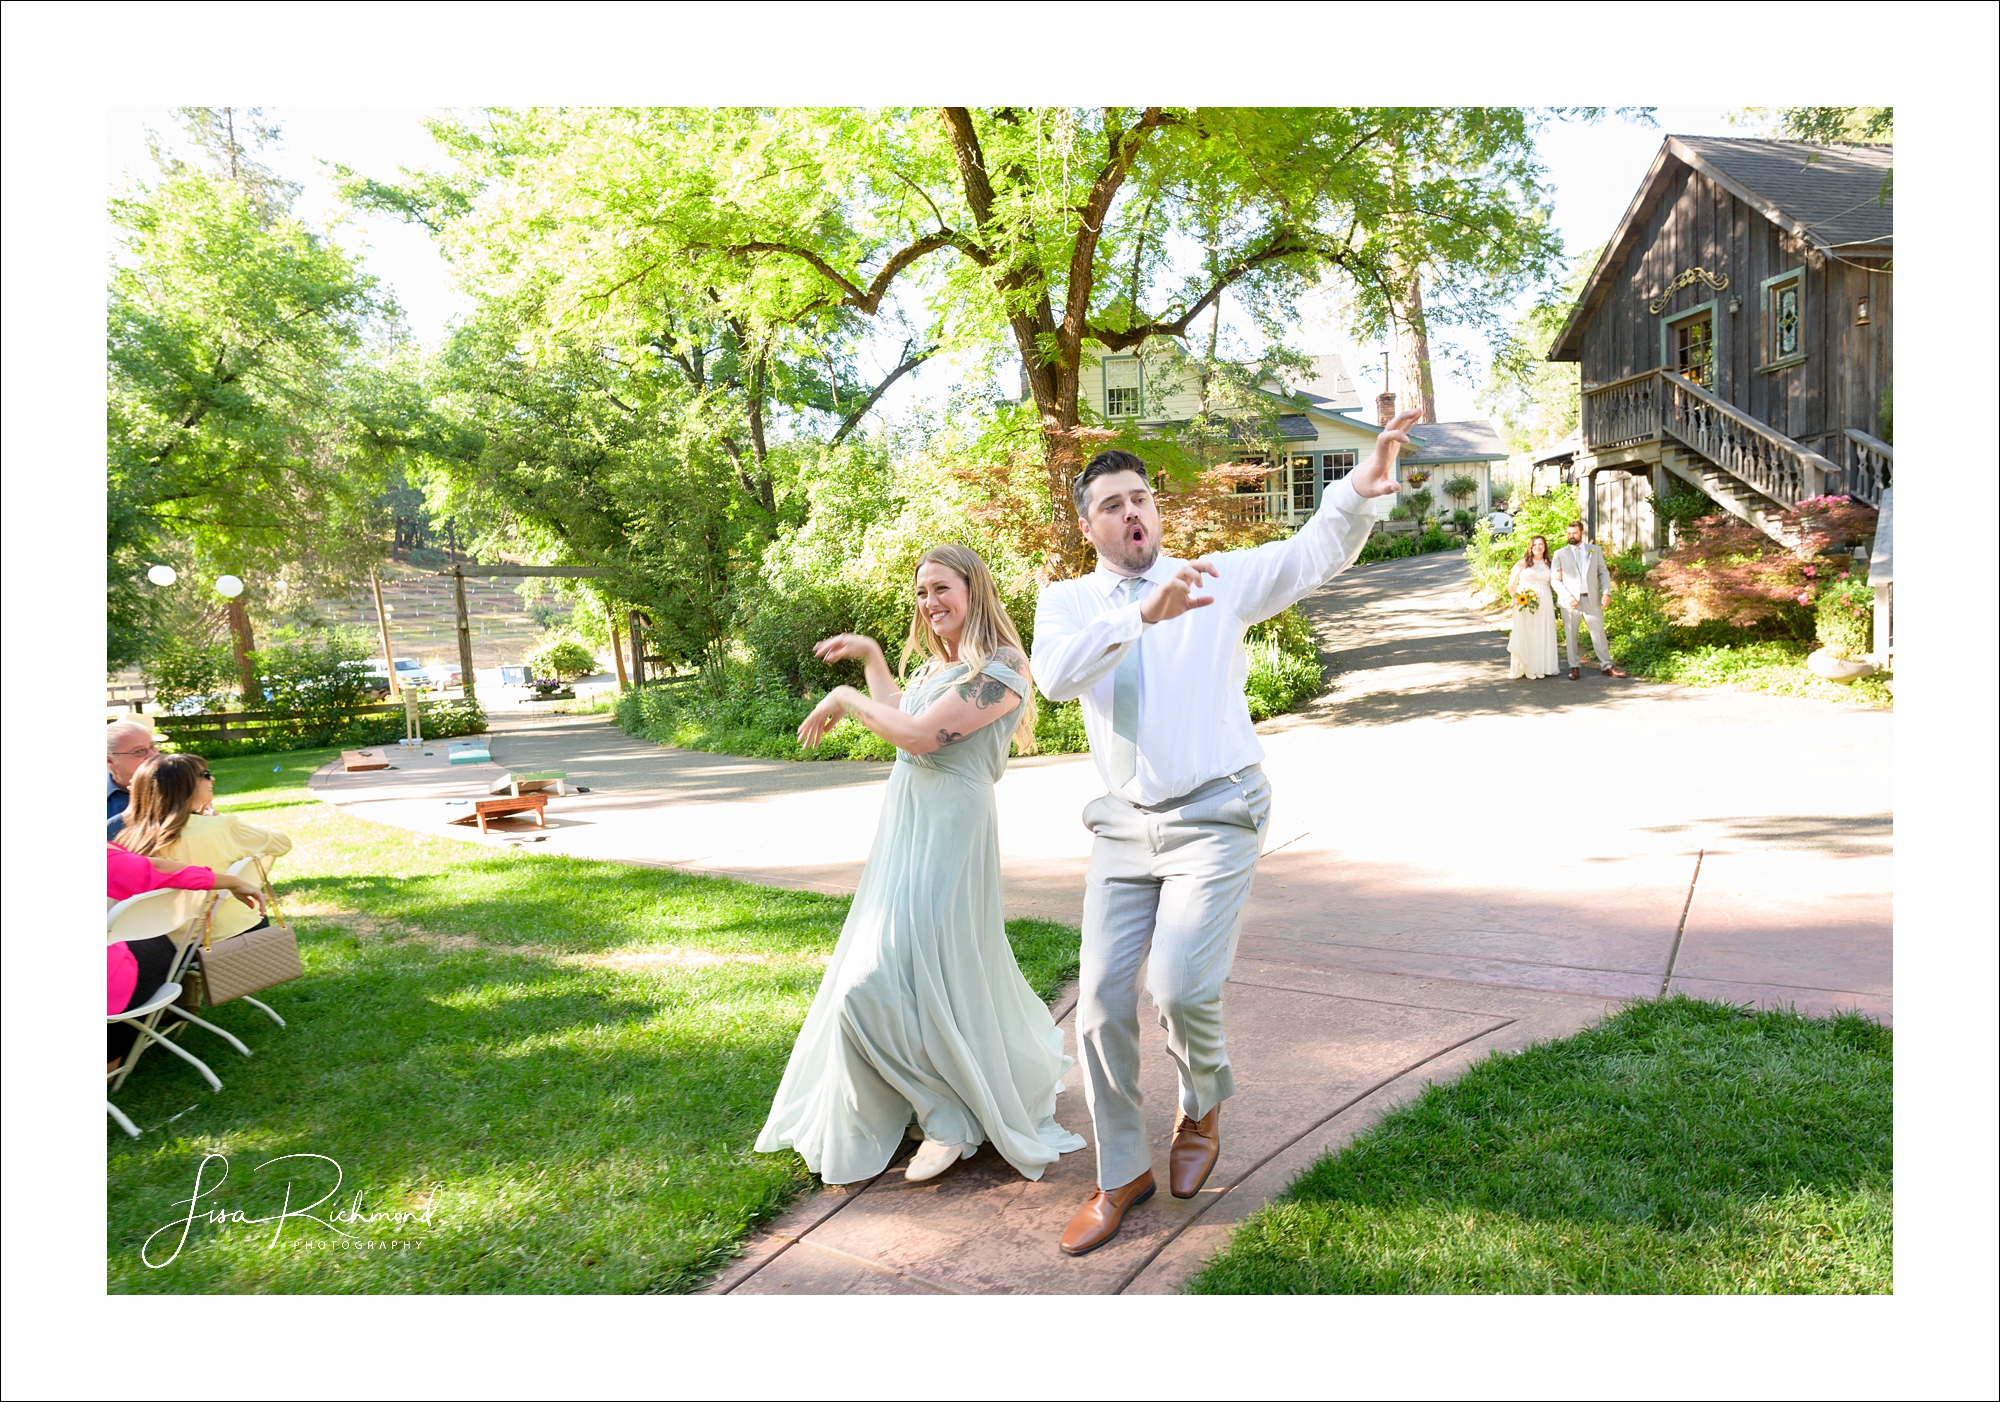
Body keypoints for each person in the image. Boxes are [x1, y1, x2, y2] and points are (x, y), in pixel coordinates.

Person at [1032, 413, 1419, 1257]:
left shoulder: (1212, 579)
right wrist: (1141, 619)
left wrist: (1359, 483)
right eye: (1112, 504)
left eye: (1142, 498)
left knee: (1177, 986)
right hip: (1125, 828)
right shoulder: (1066, 603)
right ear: (1087, 523)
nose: (1133, 512)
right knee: (1097, 1004)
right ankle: (1121, 1172)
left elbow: (1309, 555)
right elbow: (1056, 679)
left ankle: (1201, 1102)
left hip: (1217, 812)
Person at [755, 544, 1088, 1187]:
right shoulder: (945, 665)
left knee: (882, 979)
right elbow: (905, 718)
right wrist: (876, 660)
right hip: (908, 827)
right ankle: (943, 1107)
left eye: (941, 588)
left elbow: (920, 738)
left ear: (973, 588)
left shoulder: (1004, 667)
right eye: (922, 593)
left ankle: (950, 1119)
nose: (930, 603)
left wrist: (848, 695)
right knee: (898, 975)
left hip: (950, 831)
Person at [107, 843, 263, 1067]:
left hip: (123, 979)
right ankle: (114, 1058)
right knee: (141, 952)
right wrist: (234, 881)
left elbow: (154, 865)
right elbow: (157, 867)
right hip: (128, 981)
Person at [115, 753, 292, 946]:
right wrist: (216, 818)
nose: (212, 779)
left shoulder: (127, 841)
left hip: (168, 946)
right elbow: (282, 843)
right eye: (205, 774)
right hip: (235, 932)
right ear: (185, 786)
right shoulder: (221, 827)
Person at [1552, 519, 1627, 681]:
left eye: (1575, 533)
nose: (1571, 536)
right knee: (1570, 635)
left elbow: (1603, 573)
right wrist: (1568, 596)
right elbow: (1554, 580)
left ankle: (1606, 665)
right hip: (1570, 602)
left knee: (1598, 632)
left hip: (1591, 599)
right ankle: (1574, 666)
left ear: (1582, 533)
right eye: (1569, 533)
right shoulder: (1559, 553)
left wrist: (1606, 592)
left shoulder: (1595, 550)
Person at [1507, 535, 1561, 680]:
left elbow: (1557, 581)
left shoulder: (1549, 564)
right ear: (1530, 547)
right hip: (1526, 602)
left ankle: (1543, 666)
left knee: (1542, 632)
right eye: (1535, 544)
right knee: (1529, 632)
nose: (1538, 547)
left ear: (1545, 547)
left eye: (1541, 544)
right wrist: (1516, 598)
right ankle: (1528, 667)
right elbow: (1511, 584)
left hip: (1545, 602)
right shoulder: (1522, 563)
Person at [106, 720, 160, 840]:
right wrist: (128, 816)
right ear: (109, 760)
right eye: (139, 751)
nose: (153, 756)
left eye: (152, 747)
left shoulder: (177, 782)